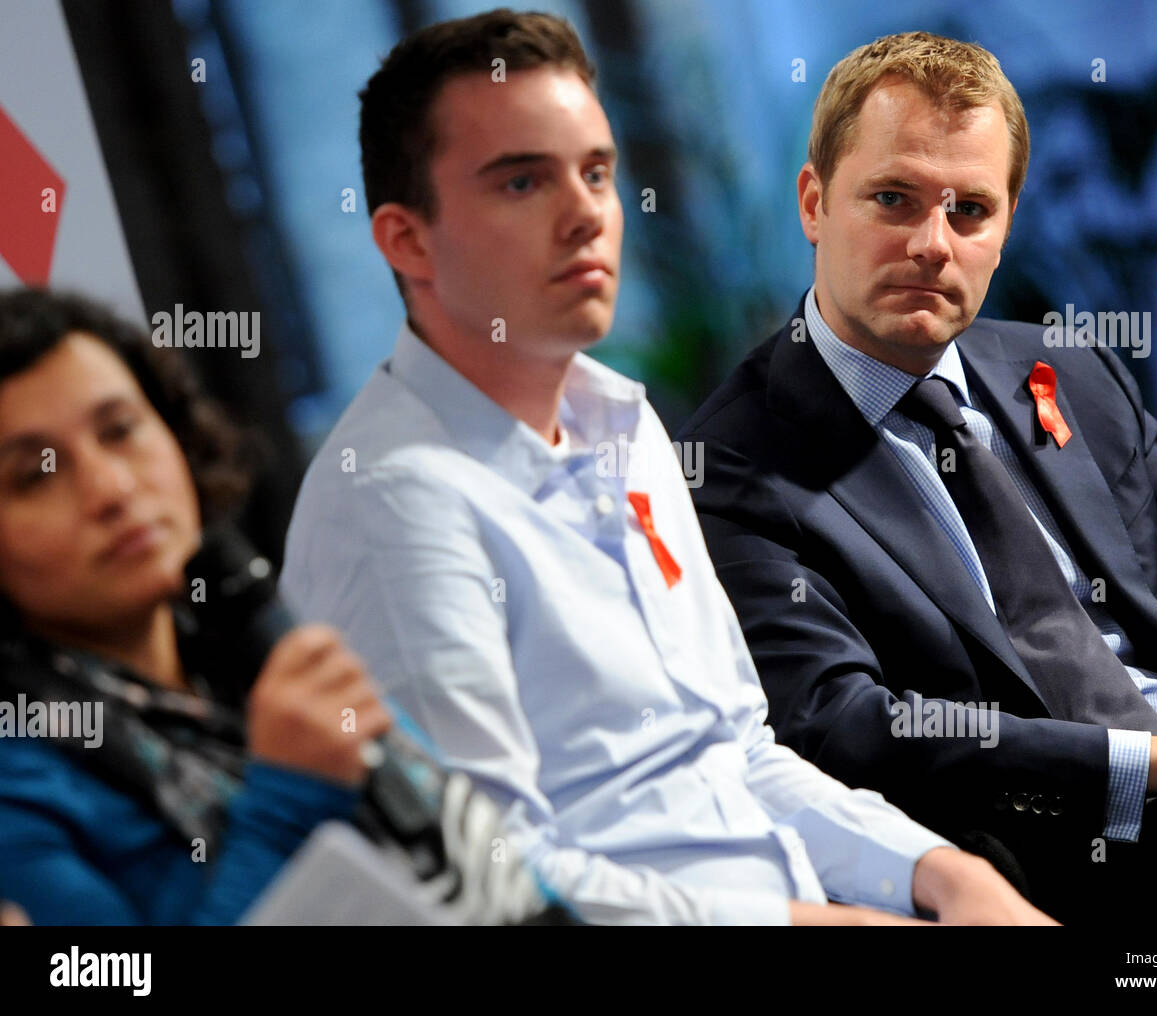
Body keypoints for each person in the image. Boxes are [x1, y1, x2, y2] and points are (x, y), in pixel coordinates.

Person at [281, 8, 1052, 926]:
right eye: (523, 181)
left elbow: (736, 747)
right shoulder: (396, 499)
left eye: (596, 173)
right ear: (407, 239)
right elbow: (493, 881)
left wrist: (941, 875)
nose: (584, 215)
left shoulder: (623, 425)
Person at [677, 30, 1157, 924]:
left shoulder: (1069, 370)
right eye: (893, 199)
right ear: (814, 202)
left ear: (1005, 225)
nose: (933, 244)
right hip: (1046, 847)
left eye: (969, 210)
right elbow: (843, 726)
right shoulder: (732, 465)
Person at [0, 288, 529, 926]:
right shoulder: (20, 788)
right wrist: (288, 799)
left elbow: (497, 865)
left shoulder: (253, 647)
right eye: (35, 475)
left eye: (120, 430)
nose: (112, 489)